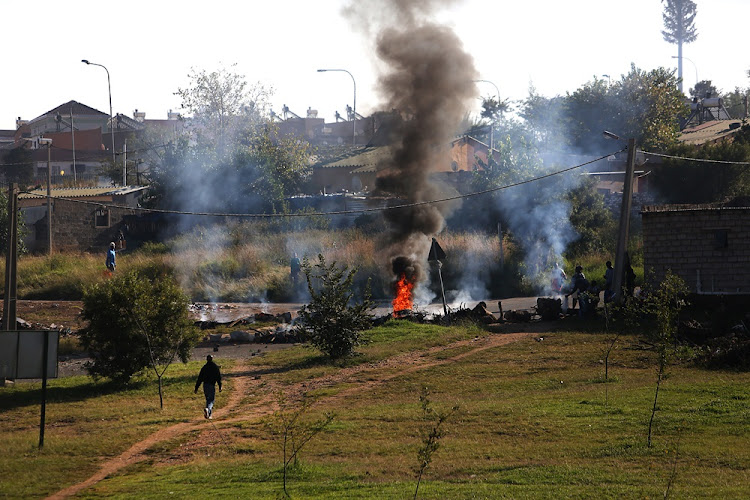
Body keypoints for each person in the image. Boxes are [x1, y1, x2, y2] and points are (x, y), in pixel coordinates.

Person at [194, 354, 222, 419]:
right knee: (211, 400)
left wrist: (196, 388)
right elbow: (218, 377)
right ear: (212, 359)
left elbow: (200, 378)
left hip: (205, 385)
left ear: (206, 359)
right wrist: (220, 386)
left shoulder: (204, 367)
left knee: (208, 399)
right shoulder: (215, 367)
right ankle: (208, 410)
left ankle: (209, 415)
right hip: (211, 385)